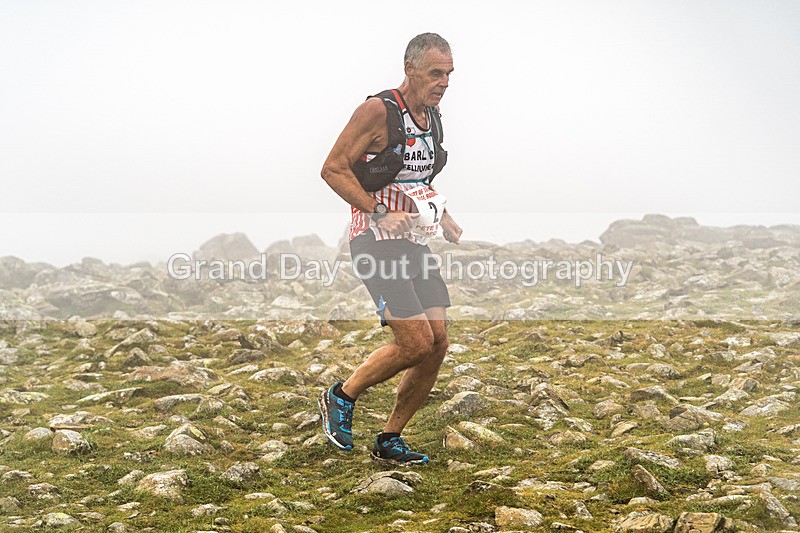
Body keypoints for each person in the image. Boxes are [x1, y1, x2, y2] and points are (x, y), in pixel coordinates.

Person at [318, 33, 462, 465]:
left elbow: (416, 180)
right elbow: (332, 168)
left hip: (414, 243)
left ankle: (389, 439)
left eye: (450, 74)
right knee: (415, 342)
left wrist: (444, 214)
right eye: (437, 73)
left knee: (437, 344)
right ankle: (341, 395)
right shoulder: (378, 110)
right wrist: (379, 211)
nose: (445, 82)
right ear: (411, 68)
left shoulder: (432, 116)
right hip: (375, 241)